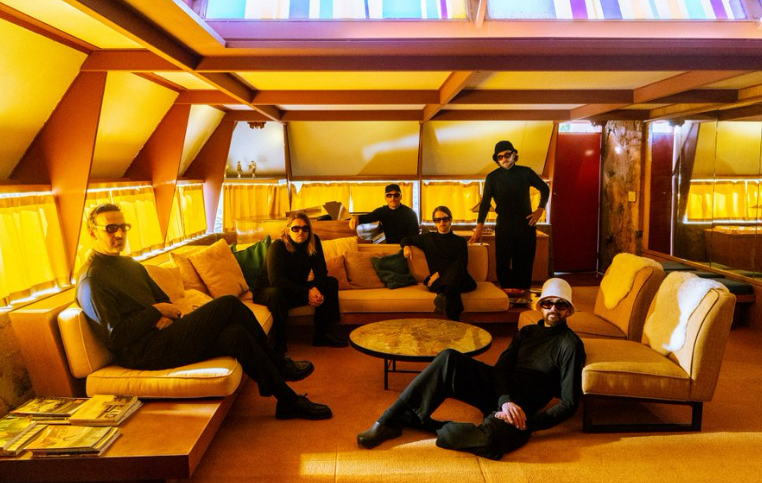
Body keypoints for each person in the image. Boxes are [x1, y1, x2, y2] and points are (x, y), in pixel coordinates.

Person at [77, 204, 332, 421]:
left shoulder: (129, 265)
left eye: (124, 227)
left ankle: (287, 401)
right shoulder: (93, 279)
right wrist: (155, 312)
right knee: (228, 304)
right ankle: (279, 363)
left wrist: (164, 312)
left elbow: (165, 300)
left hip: (165, 335)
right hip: (145, 352)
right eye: (111, 228)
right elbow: (116, 336)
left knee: (236, 335)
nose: (119, 234)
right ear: (92, 232)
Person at [356, 278, 585, 460]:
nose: (553, 308)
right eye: (547, 303)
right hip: (501, 392)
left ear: (569, 311)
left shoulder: (570, 345)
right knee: (449, 358)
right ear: (540, 306)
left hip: (520, 410)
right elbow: (501, 368)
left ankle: (423, 422)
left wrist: (526, 422)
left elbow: (569, 403)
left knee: (490, 443)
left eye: (560, 304)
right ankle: (387, 422)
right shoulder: (527, 332)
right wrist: (504, 400)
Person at [251, 212, 347, 353]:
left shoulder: (314, 242)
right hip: (268, 290)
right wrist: (307, 293)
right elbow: (276, 280)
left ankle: (323, 335)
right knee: (277, 294)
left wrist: (316, 290)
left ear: (309, 230)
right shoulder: (277, 246)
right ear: (288, 230)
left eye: (305, 228)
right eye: (295, 228)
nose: (300, 232)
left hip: (293, 288)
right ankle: (279, 342)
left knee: (330, 282)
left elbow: (321, 272)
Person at [470, 140, 550, 291]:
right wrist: (479, 227)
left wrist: (540, 210)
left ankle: (522, 295)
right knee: (503, 263)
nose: (504, 159)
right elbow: (485, 203)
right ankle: (506, 295)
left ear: (514, 154)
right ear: (497, 160)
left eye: (507, 155)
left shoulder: (525, 172)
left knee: (524, 262)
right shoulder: (492, 177)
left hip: (526, 224)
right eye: (500, 157)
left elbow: (544, 189)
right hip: (504, 225)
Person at [400, 206, 476, 321]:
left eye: (445, 219)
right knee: (452, 287)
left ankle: (443, 296)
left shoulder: (460, 241)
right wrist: (406, 246)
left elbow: (462, 265)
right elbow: (406, 239)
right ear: (434, 222)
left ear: (450, 220)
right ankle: (454, 319)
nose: (442, 222)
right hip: (438, 281)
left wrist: (439, 273)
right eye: (437, 220)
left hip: (457, 278)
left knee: (457, 267)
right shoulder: (428, 238)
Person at [349, 183, 419, 244]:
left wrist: (407, 246)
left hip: (407, 247)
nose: (393, 198)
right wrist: (356, 217)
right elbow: (368, 217)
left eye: (396, 195)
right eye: (389, 195)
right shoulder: (382, 211)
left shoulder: (410, 213)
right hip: (389, 247)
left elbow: (414, 235)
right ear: (385, 198)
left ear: (400, 197)